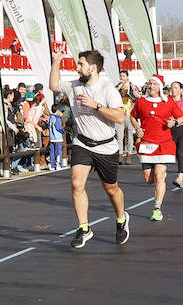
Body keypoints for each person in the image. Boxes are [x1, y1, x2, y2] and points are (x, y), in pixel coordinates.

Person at [52, 51, 129, 247]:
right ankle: (84, 228)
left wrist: (97, 106)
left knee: (111, 189)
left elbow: (119, 117)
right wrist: (56, 62)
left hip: (105, 146)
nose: (77, 68)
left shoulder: (107, 88)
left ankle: (121, 220)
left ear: (93, 68)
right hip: (83, 143)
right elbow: (53, 85)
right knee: (77, 184)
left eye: (81, 64)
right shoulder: (74, 85)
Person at [131, 75, 177, 221]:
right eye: (149, 84)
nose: (151, 86)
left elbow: (180, 117)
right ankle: (160, 178)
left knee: (159, 175)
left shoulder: (168, 101)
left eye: (154, 84)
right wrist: (137, 127)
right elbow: (132, 116)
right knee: (149, 179)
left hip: (164, 143)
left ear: (160, 87)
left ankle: (157, 208)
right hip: (147, 144)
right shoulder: (141, 102)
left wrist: (173, 122)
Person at [168, 81, 183, 188]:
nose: (173, 90)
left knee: (180, 153)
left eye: (176, 87)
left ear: (181, 90)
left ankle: (180, 178)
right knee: (175, 154)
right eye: (172, 87)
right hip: (171, 131)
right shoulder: (167, 102)